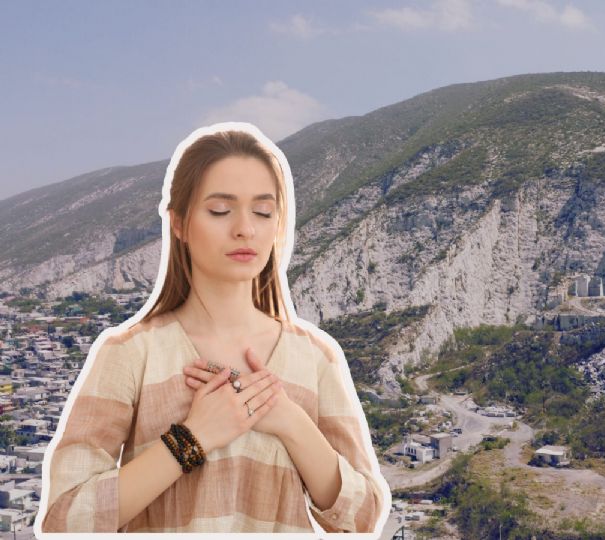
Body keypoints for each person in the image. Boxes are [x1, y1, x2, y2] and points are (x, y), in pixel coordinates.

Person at [37, 123, 391, 535]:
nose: (245, 228)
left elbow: (364, 515)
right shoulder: (130, 353)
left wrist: (288, 420)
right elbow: (65, 517)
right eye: (220, 210)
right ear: (180, 224)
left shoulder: (315, 356)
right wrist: (191, 439)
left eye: (263, 211)